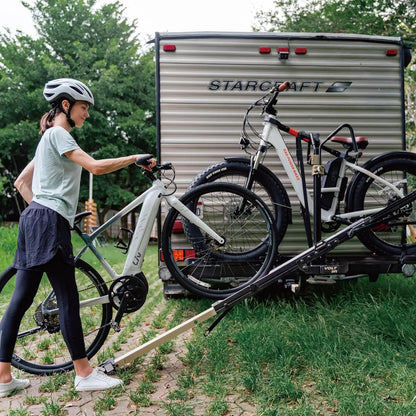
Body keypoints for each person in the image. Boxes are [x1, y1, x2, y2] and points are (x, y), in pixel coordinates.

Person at [0, 78, 156, 396]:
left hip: (33, 220)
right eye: (84, 108)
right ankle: (84, 374)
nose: (87, 114)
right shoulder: (59, 134)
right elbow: (95, 167)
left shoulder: (47, 139)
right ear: (67, 106)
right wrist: (134, 158)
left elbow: (20, 183)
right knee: (68, 297)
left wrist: (45, 211)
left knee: (20, 300)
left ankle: (3, 379)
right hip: (47, 222)